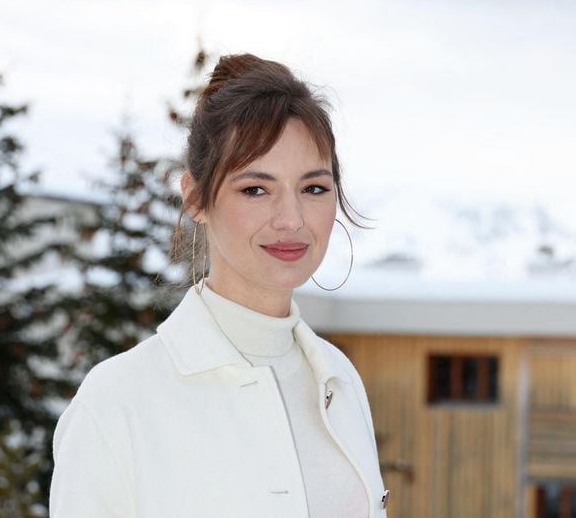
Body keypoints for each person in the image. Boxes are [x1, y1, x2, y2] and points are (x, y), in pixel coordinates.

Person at [50, 53, 389, 517]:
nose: (291, 220)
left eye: (313, 188)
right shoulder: (118, 402)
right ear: (195, 198)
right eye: (255, 189)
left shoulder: (340, 382)